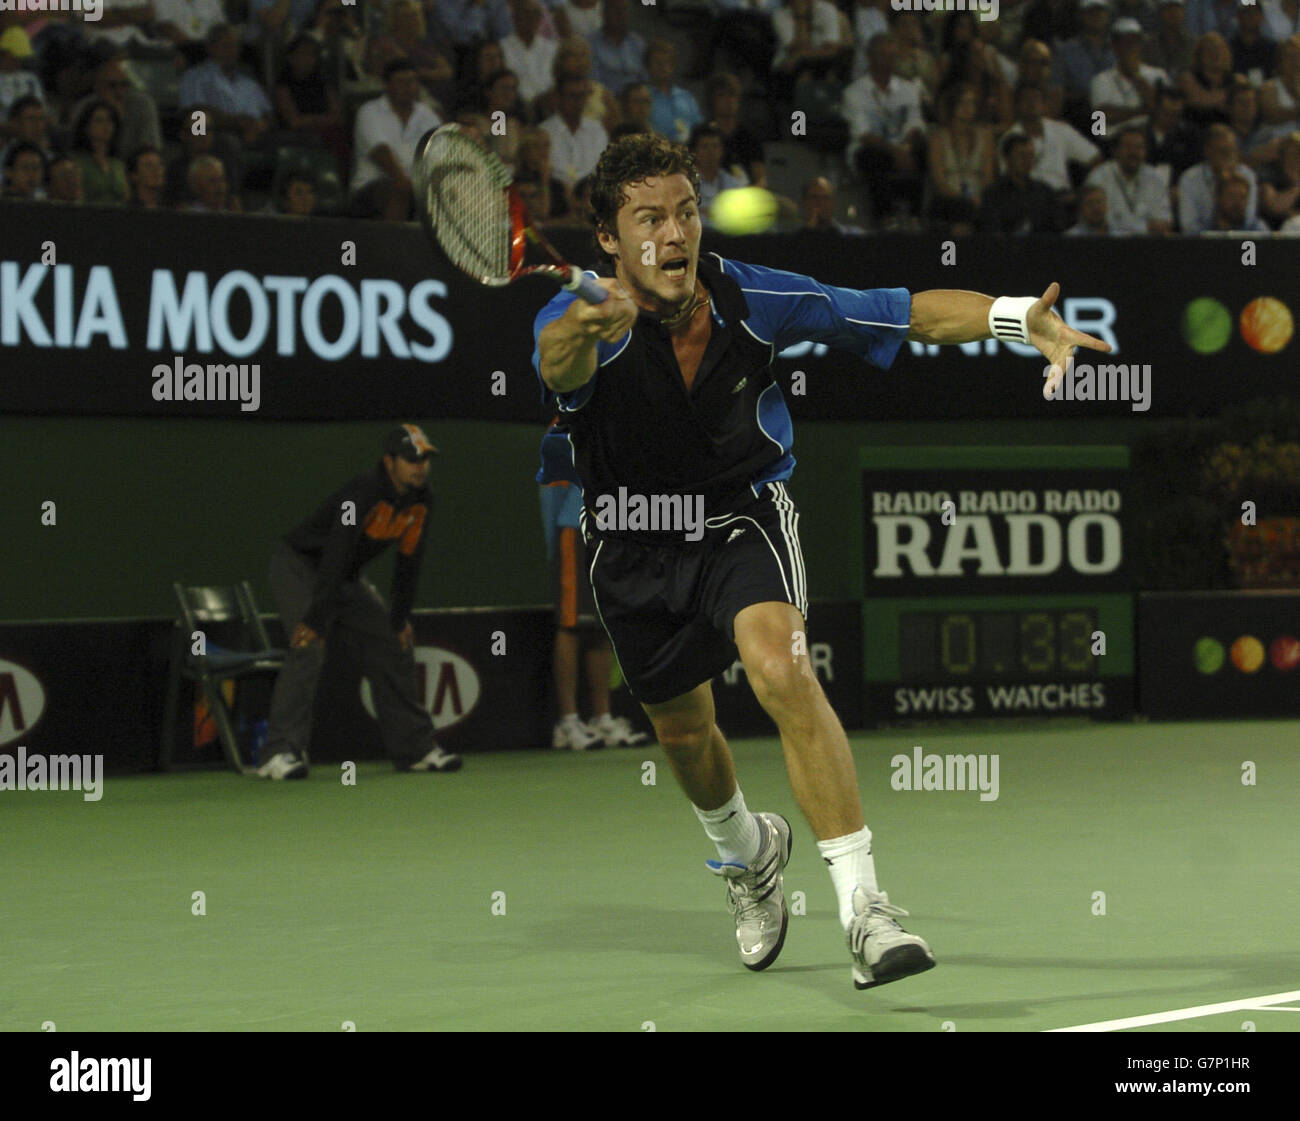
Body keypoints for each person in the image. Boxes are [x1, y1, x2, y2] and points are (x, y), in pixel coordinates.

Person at [532, 132, 1109, 986]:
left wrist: (1017, 317)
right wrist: (586, 323)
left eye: (686, 211)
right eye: (648, 217)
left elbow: (900, 308)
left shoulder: (755, 297)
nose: (674, 231)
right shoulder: (574, 320)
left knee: (780, 665)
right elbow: (557, 361)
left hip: (741, 516)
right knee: (685, 732)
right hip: (632, 540)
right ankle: (747, 854)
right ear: (610, 240)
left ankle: (866, 910)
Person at [258, 425, 462, 780]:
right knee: (309, 647)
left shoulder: (421, 501)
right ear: (390, 462)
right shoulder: (361, 494)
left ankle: (415, 750)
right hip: (300, 567)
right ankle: (278, 754)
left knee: (393, 643)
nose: (420, 467)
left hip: (345, 577)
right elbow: (336, 553)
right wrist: (316, 619)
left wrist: (399, 619)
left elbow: (409, 562)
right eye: (412, 459)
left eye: (425, 459)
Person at [538, 417, 651, 750]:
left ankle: (602, 719)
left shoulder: (619, 414)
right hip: (573, 529)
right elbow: (551, 490)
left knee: (603, 625)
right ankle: (568, 723)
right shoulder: (565, 422)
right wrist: (555, 542)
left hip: (612, 529)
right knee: (571, 625)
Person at [349, 57, 442, 221]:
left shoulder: (427, 115)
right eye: (401, 82)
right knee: (399, 188)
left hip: (419, 187)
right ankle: (393, 245)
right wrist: (411, 187)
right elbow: (381, 153)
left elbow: (441, 153)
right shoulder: (369, 111)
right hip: (372, 186)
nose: (408, 87)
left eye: (412, 81)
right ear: (387, 85)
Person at [1084, 122, 1174, 233]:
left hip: (1148, 245)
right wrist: (1145, 227)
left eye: (1139, 147)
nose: (1134, 152)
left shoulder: (1155, 178)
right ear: (1115, 150)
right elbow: (1099, 222)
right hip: (1109, 244)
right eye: (1128, 147)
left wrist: (1127, 225)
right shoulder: (1098, 177)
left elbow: (1164, 222)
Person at [978, 131, 1066, 233]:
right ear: (1006, 158)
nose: (1026, 160)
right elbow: (991, 229)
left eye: (1030, 156)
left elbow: (1057, 228)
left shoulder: (1045, 192)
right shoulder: (993, 193)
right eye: (1021, 155)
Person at [69, 98, 129, 206]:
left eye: (110, 121)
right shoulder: (76, 162)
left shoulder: (118, 164)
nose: (106, 126)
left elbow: (126, 198)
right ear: (86, 127)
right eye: (99, 121)